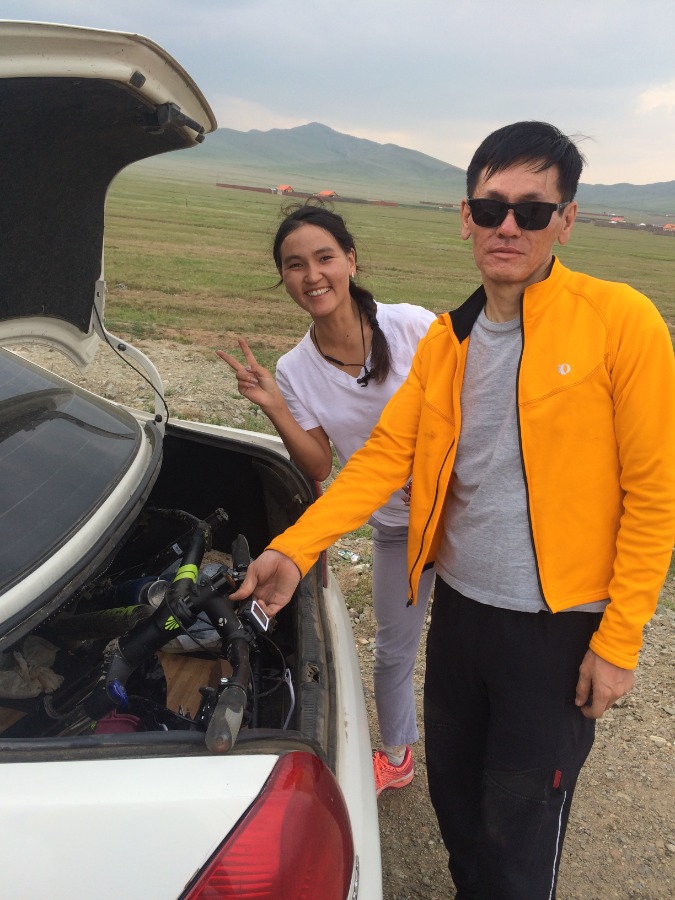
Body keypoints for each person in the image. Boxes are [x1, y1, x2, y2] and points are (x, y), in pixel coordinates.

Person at [227, 121, 675, 898]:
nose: (509, 227)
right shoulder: (446, 341)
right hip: (462, 613)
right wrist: (294, 549)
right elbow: (380, 461)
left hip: (558, 625)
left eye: (532, 211)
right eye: (491, 207)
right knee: (457, 802)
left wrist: (619, 638)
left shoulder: (619, 321)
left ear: (566, 220)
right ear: (466, 216)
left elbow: (653, 493)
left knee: (519, 823)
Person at [217, 202, 436, 796]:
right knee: (393, 649)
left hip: (463, 516)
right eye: (295, 265)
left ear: (351, 261)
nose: (312, 275)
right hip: (395, 524)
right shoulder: (295, 368)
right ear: (283, 277)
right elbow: (317, 464)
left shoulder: (413, 326)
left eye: (324, 258)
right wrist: (274, 404)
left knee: (476, 644)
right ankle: (397, 755)